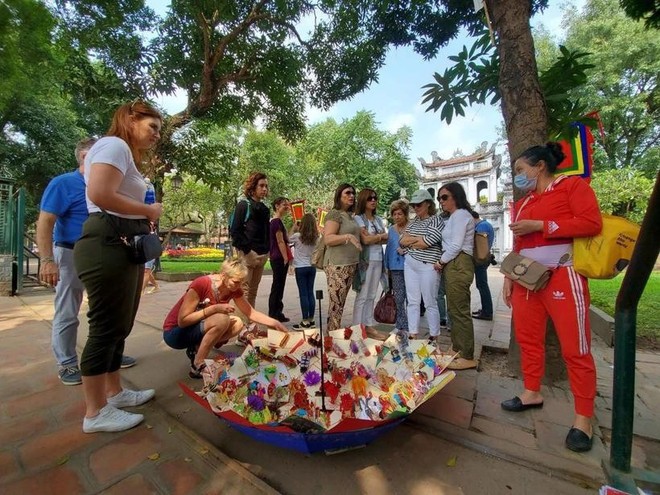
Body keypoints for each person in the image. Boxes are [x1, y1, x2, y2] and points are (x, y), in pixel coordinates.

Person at [501, 142, 602, 453]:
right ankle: (532, 392)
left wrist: (542, 225)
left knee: (575, 347)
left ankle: (583, 418)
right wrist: (509, 276)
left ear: (540, 166)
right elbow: (519, 241)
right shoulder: (525, 201)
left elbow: (591, 223)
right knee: (528, 338)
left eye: (520, 170)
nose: (517, 176)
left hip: (563, 274)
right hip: (526, 279)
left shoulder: (572, 186)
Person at [73, 100, 163, 433]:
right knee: (106, 328)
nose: (156, 135)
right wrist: (148, 211)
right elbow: (99, 192)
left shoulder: (124, 153)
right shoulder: (113, 145)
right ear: (129, 119)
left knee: (120, 325)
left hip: (124, 246)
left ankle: (114, 392)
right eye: (152, 126)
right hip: (108, 244)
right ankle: (94, 412)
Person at [36, 137, 136, 387]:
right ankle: (67, 362)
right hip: (70, 252)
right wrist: (47, 260)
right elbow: (45, 221)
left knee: (109, 310)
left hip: (101, 253)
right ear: (84, 157)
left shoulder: (107, 185)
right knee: (68, 310)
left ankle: (110, 355)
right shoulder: (64, 183)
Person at [163, 259, 288, 378]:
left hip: (195, 329)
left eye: (241, 282)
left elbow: (250, 313)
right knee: (222, 319)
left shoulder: (233, 288)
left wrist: (274, 322)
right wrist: (214, 309)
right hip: (175, 333)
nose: (238, 285)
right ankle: (198, 365)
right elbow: (183, 320)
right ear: (223, 275)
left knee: (238, 323)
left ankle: (197, 349)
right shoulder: (202, 283)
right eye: (235, 281)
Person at [434, 182, 477, 370]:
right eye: (439, 198)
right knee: (453, 308)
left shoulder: (461, 215)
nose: (441, 201)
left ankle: (467, 355)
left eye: (444, 197)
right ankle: (457, 348)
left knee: (459, 310)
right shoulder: (454, 216)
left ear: (456, 196)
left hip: (458, 262)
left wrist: (441, 261)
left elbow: (456, 245)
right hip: (453, 263)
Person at [399, 190, 444, 342]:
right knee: (412, 301)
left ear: (428, 204)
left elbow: (427, 243)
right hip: (411, 264)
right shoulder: (414, 222)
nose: (416, 208)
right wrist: (417, 240)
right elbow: (401, 240)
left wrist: (411, 241)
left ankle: (434, 334)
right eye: (413, 205)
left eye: (419, 205)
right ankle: (412, 333)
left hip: (428, 265)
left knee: (430, 301)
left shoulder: (436, 220)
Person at [322, 183, 362, 331]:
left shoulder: (350, 216)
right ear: (339, 196)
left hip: (350, 264)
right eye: (347, 193)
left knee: (340, 303)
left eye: (353, 193)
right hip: (337, 265)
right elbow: (328, 239)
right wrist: (348, 236)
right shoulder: (335, 214)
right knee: (336, 304)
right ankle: (332, 337)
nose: (351, 196)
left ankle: (334, 334)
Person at [230, 172, 270, 308]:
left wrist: (267, 251)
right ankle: (241, 325)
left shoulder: (265, 209)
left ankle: (250, 324)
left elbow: (266, 232)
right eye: (261, 186)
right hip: (247, 255)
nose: (264, 189)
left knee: (253, 292)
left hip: (261, 256)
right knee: (243, 292)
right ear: (253, 187)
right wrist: (248, 251)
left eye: (266, 186)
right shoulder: (243, 205)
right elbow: (235, 231)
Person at [352, 188, 388, 334]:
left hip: (379, 259)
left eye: (375, 198)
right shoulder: (358, 218)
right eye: (369, 198)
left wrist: (377, 237)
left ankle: (368, 324)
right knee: (363, 294)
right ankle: (356, 328)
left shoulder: (378, 219)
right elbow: (365, 240)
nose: (373, 200)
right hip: (366, 260)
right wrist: (380, 236)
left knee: (372, 293)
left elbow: (388, 237)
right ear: (363, 200)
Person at [384, 199, 409, 335]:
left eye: (400, 214)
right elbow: (389, 249)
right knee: (399, 298)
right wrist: (387, 266)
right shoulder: (391, 230)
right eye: (394, 214)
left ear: (405, 214)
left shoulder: (411, 227)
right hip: (395, 268)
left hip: (410, 267)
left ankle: (412, 324)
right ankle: (401, 325)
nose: (397, 217)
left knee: (411, 298)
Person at [290, 213, 319, 329]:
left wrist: (294, 227)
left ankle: (304, 320)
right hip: (311, 267)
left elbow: (287, 239)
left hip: (300, 268)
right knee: (310, 292)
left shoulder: (297, 236)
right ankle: (311, 319)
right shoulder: (317, 237)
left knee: (303, 294)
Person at [268, 197, 292, 322]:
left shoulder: (277, 221)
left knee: (279, 285)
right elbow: (280, 240)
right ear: (277, 206)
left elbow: (286, 238)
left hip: (277, 256)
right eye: (284, 205)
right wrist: (285, 258)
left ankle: (277, 312)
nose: (287, 207)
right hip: (278, 257)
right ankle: (274, 313)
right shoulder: (276, 221)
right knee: (277, 286)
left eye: (288, 205)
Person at [471, 210, 494, 321]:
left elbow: (479, 245)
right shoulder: (485, 224)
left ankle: (487, 312)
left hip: (481, 259)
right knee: (481, 285)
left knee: (482, 285)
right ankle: (485, 309)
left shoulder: (481, 227)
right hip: (484, 258)